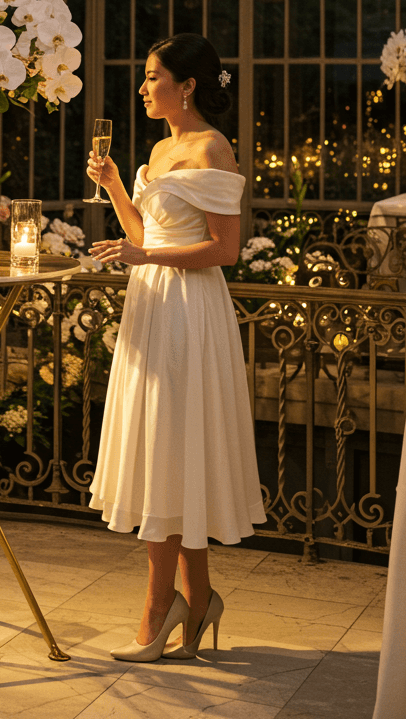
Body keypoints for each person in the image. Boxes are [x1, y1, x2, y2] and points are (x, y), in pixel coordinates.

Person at [86, 32, 266, 663]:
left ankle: (160, 609)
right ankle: (202, 597)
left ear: (186, 85)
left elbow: (224, 251)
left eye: (152, 76)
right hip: (153, 305)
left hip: (191, 313)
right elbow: (145, 230)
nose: (142, 87)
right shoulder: (160, 149)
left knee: (170, 447)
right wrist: (113, 186)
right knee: (165, 455)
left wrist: (144, 255)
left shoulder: (212, 147)